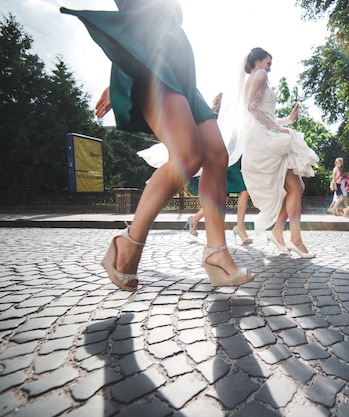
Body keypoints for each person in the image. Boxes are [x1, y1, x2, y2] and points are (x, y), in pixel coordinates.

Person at [60, 0, 253, 289]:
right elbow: (134, 16)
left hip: (180, 65)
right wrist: (121, 73)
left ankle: (216, 252)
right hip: (150, 60)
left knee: (217, 155)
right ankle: (128, 243)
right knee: (187, 156)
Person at [223, 47, 319, 258]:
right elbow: (253, 108)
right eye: (268, 63)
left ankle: (278, 232)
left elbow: (263, 113)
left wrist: (287, 121)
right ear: (257, 62)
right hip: (264, 138)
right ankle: (294, 239)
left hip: (262, 135)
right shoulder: (260, 74)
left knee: (296, 187)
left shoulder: (255, 77)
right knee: (296, 188)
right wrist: (278, 129)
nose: (269, 68)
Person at [185, 93, 253, 244]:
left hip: (230, 163)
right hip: (224, 163)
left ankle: (194, 219)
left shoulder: (228, 122)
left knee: (223, 199)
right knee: (244, 189)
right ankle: (240, 227)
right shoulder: (215, 120)